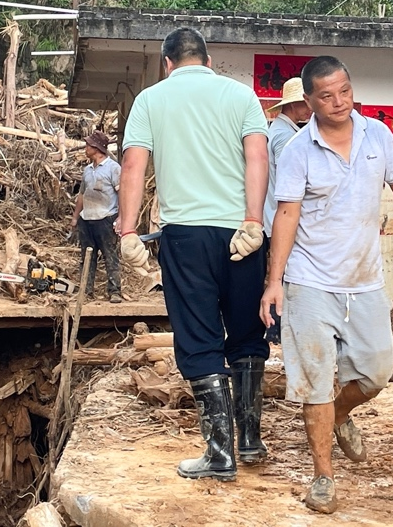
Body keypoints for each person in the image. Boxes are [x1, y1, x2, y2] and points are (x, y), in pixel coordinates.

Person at [260, 56, 393, 515]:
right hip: (309, 282)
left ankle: (338, 414)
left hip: (365, 280)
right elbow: (286, 216)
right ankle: (323, 477)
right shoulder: (297, 150)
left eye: (345, 91)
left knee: (376, 372)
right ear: (309, 102)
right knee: (315, 382)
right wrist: (274, 282)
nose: (339, 102)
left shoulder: (378, 135)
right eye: (327, 96)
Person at [117, 27, 270, 482]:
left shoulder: (151, 100)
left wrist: (127, 229)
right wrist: (253, 221)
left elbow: (132, 165)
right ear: (208, 59)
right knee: (245, 333)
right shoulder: (241, 96)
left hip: (185, 238)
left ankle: (220, 454)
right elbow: (258, 158)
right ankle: (250, 439)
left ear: (167, 63)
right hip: (241, 234)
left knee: (200, 338)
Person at [69, 131, 122, 302]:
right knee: (87, 257)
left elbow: (122, 194)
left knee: (110, 255)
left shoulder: (113, 168)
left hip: (106, 218)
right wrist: (76, 217)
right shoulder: (87, 170)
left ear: (97, 148)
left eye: (88, 145)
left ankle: (114, 291)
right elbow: (82, 195)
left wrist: (121, 218)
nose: (85, 148)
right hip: (87, 218)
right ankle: (86, 290)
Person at [264, 77, 311, 239]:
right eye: (305, 103)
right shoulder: (286, 136)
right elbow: (288, 180)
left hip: (272, 216)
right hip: (280, 218)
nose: (310, 108)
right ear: (292, 104)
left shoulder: (278, 129)